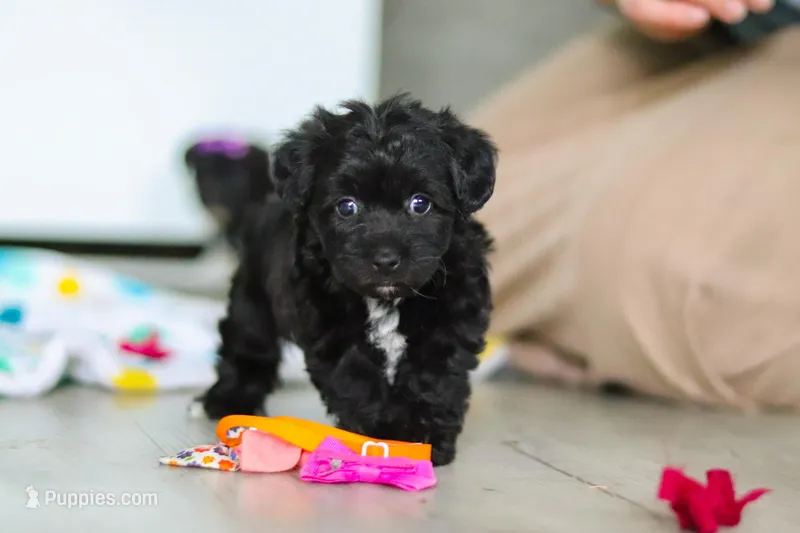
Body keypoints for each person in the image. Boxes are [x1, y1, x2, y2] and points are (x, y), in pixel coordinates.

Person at [470, 0, 800, 409]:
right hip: (753, 30)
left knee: (679, 293)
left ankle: (550, 342)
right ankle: (559, 343)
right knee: (459, 207)